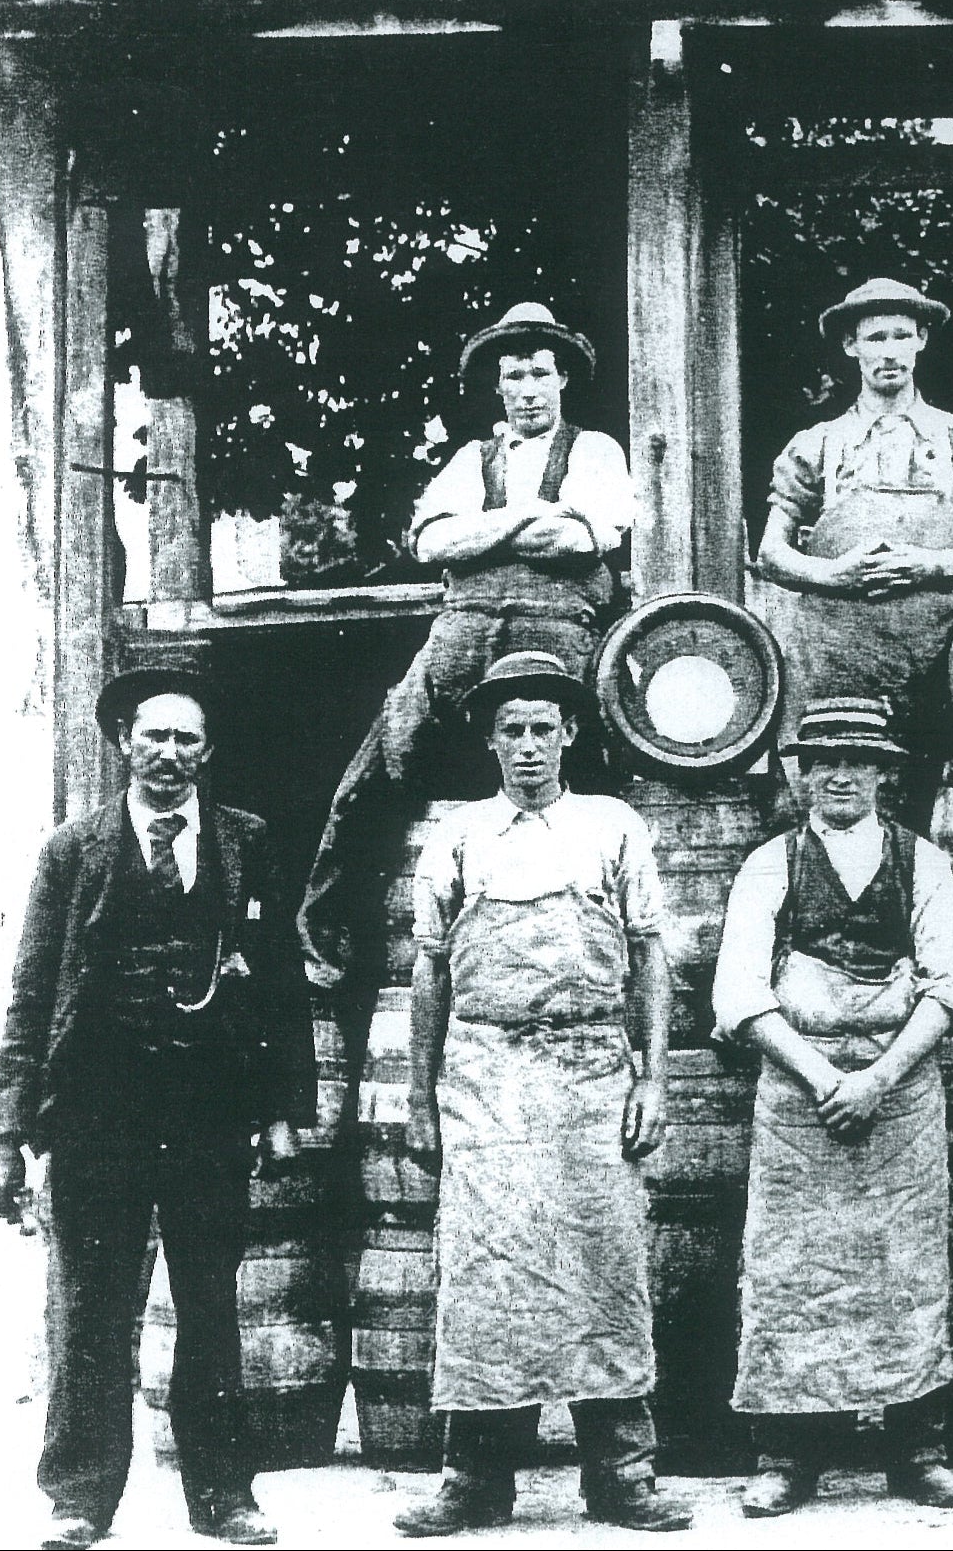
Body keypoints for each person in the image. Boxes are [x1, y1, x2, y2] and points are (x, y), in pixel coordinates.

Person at [0, 667, 311, 1550]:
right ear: (124, 742)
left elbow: (281, 986)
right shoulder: (73, 851)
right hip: (97, 1114)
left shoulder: (247, 843)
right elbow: (29, 994)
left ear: (207, 752)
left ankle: (223, 1497)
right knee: (90, 1309)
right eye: (154, 736)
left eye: (187, 739)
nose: (169, 754)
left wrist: (282, 1109)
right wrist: (8, 1132)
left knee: (210, 1304)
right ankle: (80, 1498)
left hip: (209, 1113)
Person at [393, 652, 690, 1536]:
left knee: (607, 1270)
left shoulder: (612, 826)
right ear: (490, 741)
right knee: (489, 1279)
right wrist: (419, 1099)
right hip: (486, 1077)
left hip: (594, 1070)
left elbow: (650, 959)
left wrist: (655, 1077)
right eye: (510, 731)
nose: (528, 747)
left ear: (569, 735)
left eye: (542, 729)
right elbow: (431, 972)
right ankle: (475, 1479)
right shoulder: (458, 834)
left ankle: (622, 1475)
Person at [298, 303, 637, 991]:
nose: (528, 388)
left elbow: (581, 539)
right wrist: (528, 517)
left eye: (541, 372)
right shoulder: (468, 459)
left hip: (557, 633)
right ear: (499, 386)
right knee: (378, 764)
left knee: (586, 768)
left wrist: (483, 528)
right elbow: (429, 544)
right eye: (514, 375)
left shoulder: (596, 450)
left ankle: (607, 945)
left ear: (562, 377)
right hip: (461, 635)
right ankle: (328, 930)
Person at [706, 698, 953, 1516]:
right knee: (794, 1270)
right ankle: (786, 1454)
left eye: (860, 760)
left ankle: (917, 1450)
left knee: (909, 1264)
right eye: (824, 759)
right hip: (800, 1097)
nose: (842, 774)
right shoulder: (770, 864)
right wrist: (825, 1078)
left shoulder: (923, 861)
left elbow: (947, 989)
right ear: (802, 773)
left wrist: (877, 1079)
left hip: (898, 1097)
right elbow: (739, 993)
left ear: (887, 774)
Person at [756, 277, 953, 820]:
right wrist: (837, 576)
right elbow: (771, 553)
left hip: (934, 655)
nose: (889, 351)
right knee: (828, 808)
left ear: (921, 340)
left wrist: (932, 563)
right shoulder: (817, 444)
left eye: (901, 335)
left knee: (926, 806)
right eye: (875, 338)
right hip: (834, 663)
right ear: (851, 347)